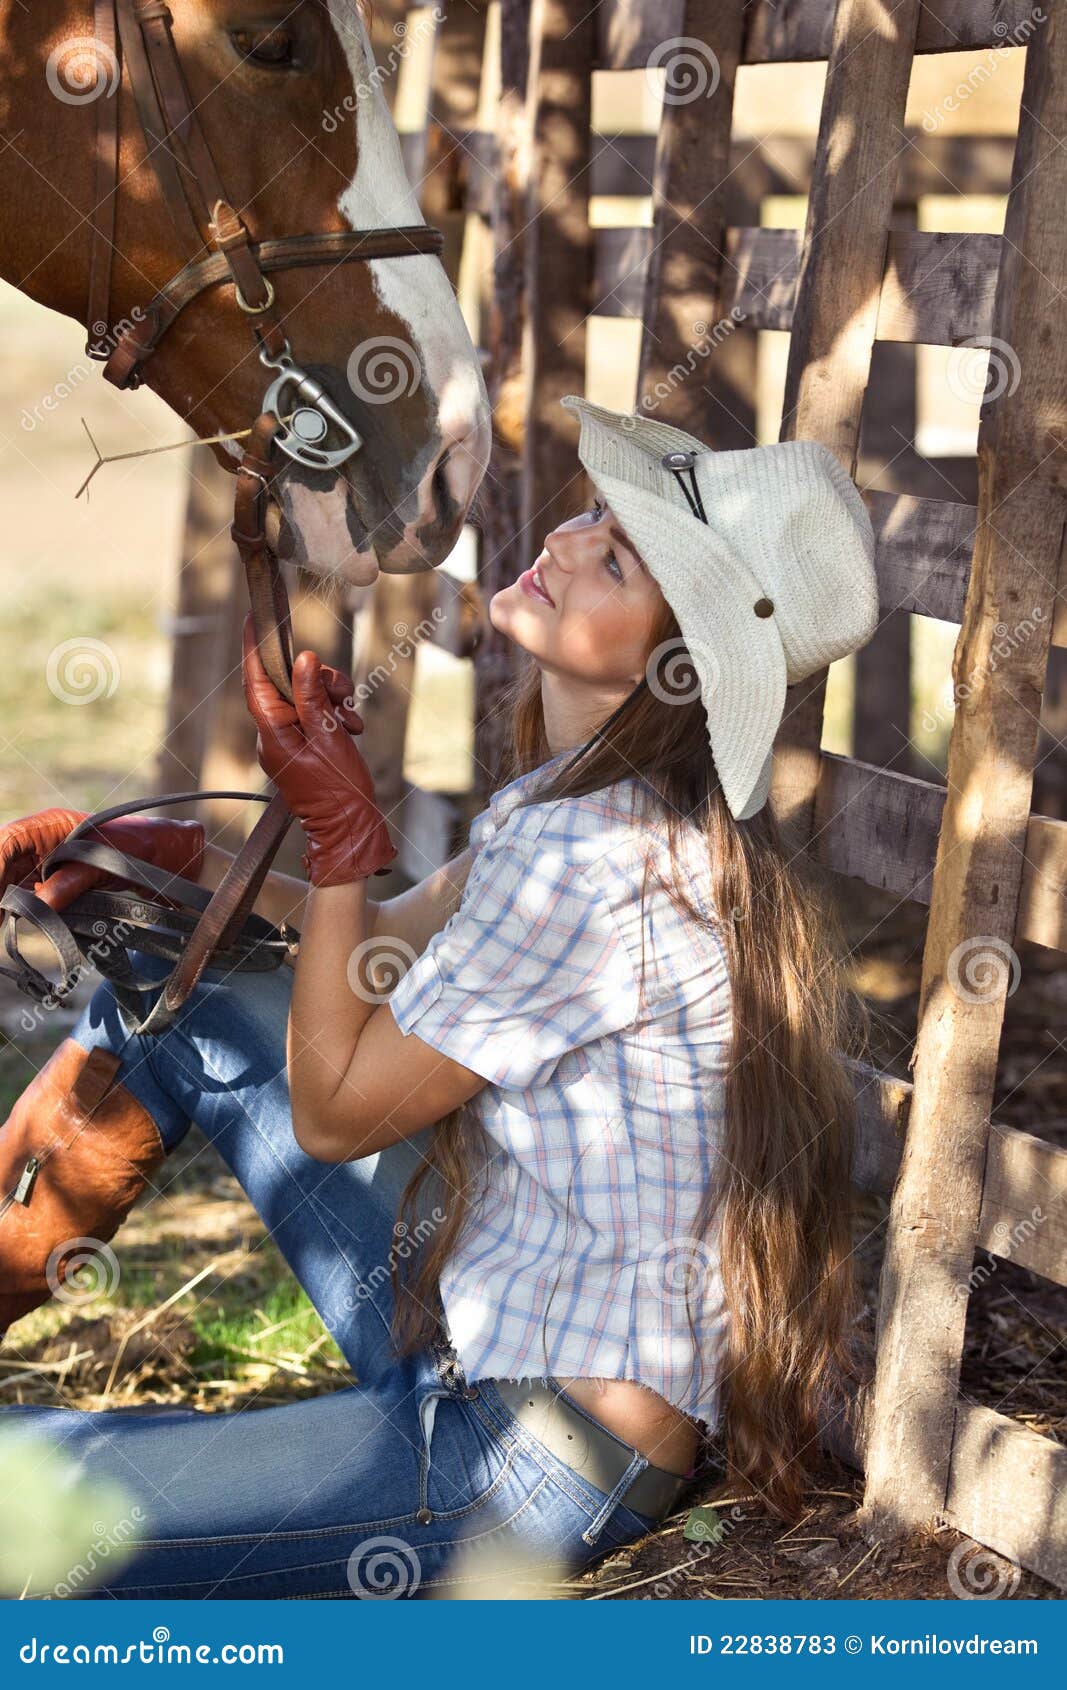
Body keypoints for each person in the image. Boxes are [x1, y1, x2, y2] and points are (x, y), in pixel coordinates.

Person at [0, 395, 879, 1599]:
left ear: (679, 662)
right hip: (469, 1316)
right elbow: (373, 951)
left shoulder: (598, 861)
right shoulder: (568, 800)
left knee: (23, 1497)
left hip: (526, 1464)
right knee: (180, 972)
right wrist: (181, 865)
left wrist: (348, 838)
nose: (563, 543)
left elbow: (334, 1111)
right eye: (590, 519)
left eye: (614, 557)